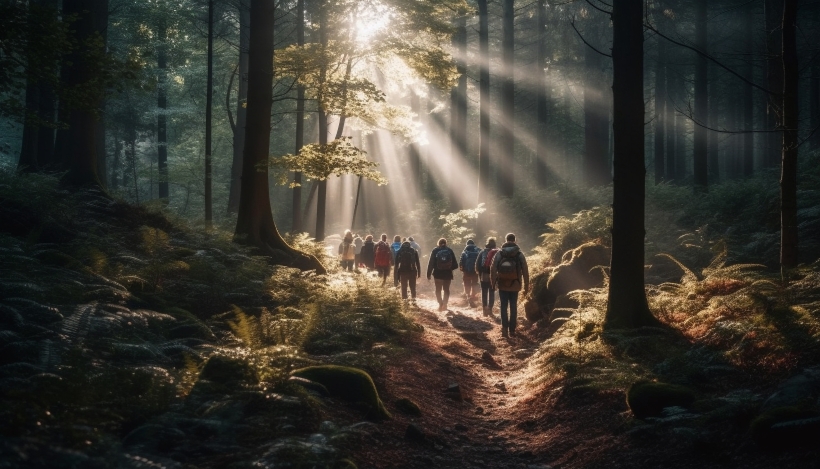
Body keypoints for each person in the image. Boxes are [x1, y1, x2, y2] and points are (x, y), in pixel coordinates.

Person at [490, 233, 529, 337]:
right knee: (513, 307)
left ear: (506, 240)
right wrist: (526, 286)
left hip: (502, 284)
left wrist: (493, 283)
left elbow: (493, 269)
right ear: (515, 240)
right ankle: (512, 330)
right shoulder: (519, 254)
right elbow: (525, 270)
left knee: (503, 306)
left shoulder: (500, 253)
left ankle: (504, 329)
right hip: (515, 284)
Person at [426, 238, 459, 311]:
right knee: (446, 289)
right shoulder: (449, 250)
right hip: (448, 274)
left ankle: (440, 304)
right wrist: (449, 268)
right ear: (446, 243)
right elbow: (455, 265)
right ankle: (445, 304)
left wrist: (428, 274)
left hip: (437, 274)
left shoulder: (435, 250)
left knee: (438, 289)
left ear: (438, 243)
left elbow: (431, 263)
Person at [476, 237, 499, 317]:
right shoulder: (497, 252)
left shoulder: (482, 252)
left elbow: (477, 265)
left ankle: (484, 309)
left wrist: (479, 274)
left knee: (484, 292)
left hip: (484, 274)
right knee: (492, 292)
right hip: (493, 275)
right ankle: (490, 309)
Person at [459, 239, 481, 307]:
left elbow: (461, 262)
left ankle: (468, 297)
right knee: (474, 283)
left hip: (466, 272)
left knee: (467, 284)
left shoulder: (465, 251)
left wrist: (462, 270)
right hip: (475, 271)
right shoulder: (478, 250)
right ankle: (473, 296)